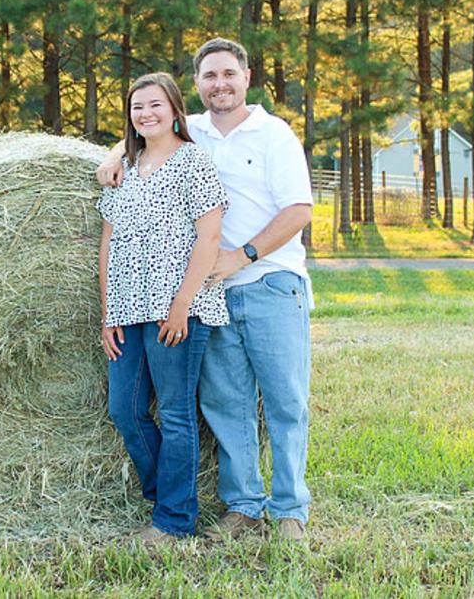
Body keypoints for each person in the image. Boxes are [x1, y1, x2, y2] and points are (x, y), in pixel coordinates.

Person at [96, 38, 314, 542]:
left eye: (228, 74)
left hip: (267, 281)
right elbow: (145, 130)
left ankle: (289, 511)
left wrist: (242, 257)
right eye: (209, 77)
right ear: (195, 86)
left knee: (284, 401)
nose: (220, 84)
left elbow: (299, 211)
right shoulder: (192, 132)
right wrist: (111, 154)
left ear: (247, 76)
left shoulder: (274, 134)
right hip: (207, 295)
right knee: (224, 403)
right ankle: (242, 505)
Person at [98, 72, 229, 543]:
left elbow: (209, 237)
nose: (146, 114)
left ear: (175, 110)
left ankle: (174, 522)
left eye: (155, 105)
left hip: (177, 309)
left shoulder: (193, 161)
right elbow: (108, 241)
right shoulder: (125, 168)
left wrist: (181, 305)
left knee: (174, 413)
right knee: (124, 410)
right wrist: (107, 312)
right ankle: (166, 497)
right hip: (128, 309)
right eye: (137, 107)